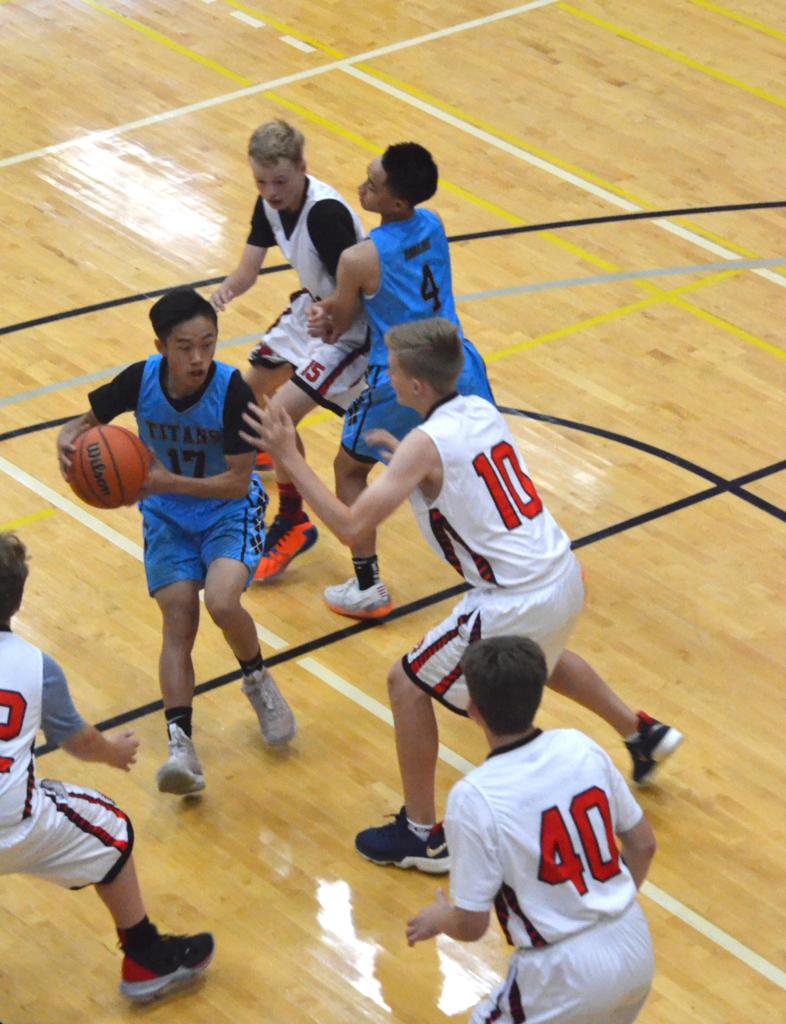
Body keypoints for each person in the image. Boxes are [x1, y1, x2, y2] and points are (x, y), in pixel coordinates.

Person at [243, 317, 682, 871]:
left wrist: (291, 459)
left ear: (417, 386)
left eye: (394, 371)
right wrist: (404, 456)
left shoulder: (425, 444)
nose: (388, 377)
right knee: (539, 657)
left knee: (406, 683)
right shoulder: (476, 409)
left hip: (512, 595)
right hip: (562, 576)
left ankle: (422, 833)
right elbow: (456, 468)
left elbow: (353, 526)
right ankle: (640, 732)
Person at [57, 288, 296, 797]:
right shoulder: (139, 379)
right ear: (162, 345)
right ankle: (181, 747)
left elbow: (236, 482)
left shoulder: (231, 390)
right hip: (167, 518)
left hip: (229, 510)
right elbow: (83, 425)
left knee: (225, 599)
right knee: (179, 613)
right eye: (185, 346)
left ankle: (257, 680)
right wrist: (69, 440)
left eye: (208, 344)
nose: (198, 358)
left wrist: (162, 481)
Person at [0, 532, 214, 1002]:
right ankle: (144, 957)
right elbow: (75, 741)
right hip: (12, 825)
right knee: (111, 827)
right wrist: (113, 752)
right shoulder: (36, 666)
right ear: (16, 602)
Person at [406, 635, 656, 1024]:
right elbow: (643, 845)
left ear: (473, 709)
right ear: (538, 693)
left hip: (560, 971)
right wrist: (603, 911)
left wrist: (440, 918)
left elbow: (472, 926)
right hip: (633, 941)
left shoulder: (474, 797)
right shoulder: (580, 746)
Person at [307, 142, 495, 620]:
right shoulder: (433, 225)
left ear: (395, 203)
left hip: (403, 379)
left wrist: (324, 313)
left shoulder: (359, 258)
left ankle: (367, 585)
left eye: (372, 185)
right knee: (486, 462)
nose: (361, 186)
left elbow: (342, 323)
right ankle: (523, 555)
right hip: (457, 361)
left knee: (349, 469)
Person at [211, 119, 370, 582]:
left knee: (276, 416)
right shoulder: (269, 203)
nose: (271, 191)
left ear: (303, 167)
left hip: (352, 323)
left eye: (280, 181)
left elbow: (361, 287)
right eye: (261, 181)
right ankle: (272, 456)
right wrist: (223, 293)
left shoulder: (325, 215)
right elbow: (248, 269)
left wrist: (332, 314)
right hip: (315, 307)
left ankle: (293, 519)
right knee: (247, 393)